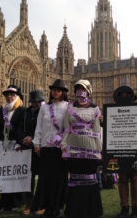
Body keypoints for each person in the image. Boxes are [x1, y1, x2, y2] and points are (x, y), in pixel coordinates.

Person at [61, 79, 103, 218]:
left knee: (90, 181)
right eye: (78, 89)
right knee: (75, 181)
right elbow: (66, 129)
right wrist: (63, 148)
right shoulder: (70, 108)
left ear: (88, 92)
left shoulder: (95, 109)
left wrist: (98, 151)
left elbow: (97, 132)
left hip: (90, 151)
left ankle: (90, 211)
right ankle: (74, 211)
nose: (80, 91)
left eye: (83, 89)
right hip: (73, 151)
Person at [32, 79, 68, 217]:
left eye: (58, 90)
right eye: (53, 90)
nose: (55, 92)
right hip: (46, 147)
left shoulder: (68, 107)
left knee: (60, 179)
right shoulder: (44, 107)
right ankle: (47, 207)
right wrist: (37, 143)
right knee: (46, 179)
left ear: (63, 92)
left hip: (61, 148)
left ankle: (59, 207)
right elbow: (39, 126)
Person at [0, 84, 26, 212]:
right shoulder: (2, 111)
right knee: (3, 175)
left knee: (14, 175)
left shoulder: (22, 110)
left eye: (12, 95)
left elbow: (22, 128)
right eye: (7, 95)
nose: (9, 97)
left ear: (16, 96)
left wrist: (19, 143)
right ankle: (4, 203)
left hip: (14, 146)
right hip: (3, 146)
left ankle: (15, 202)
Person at [112, 86, 137, 218]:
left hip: (134, 148)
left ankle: (135, 208)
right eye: (121, 95)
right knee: (122, 179)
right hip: (119, 148)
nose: (124, 97)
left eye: (126, 95)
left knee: (135, 179)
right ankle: (124, 207)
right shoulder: (113, 111)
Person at [18, 90, 46, 215]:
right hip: (28, 149)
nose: (35, 103)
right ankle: (29, 204)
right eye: (33, 101)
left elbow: (47, 129)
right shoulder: (26, 113)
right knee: (28, 178)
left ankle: (40, 204)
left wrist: (35, 140)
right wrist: (24, 138)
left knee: (42, 178)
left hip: (40, 149)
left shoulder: (45, 112)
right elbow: (20, 128)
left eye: (37, 101)